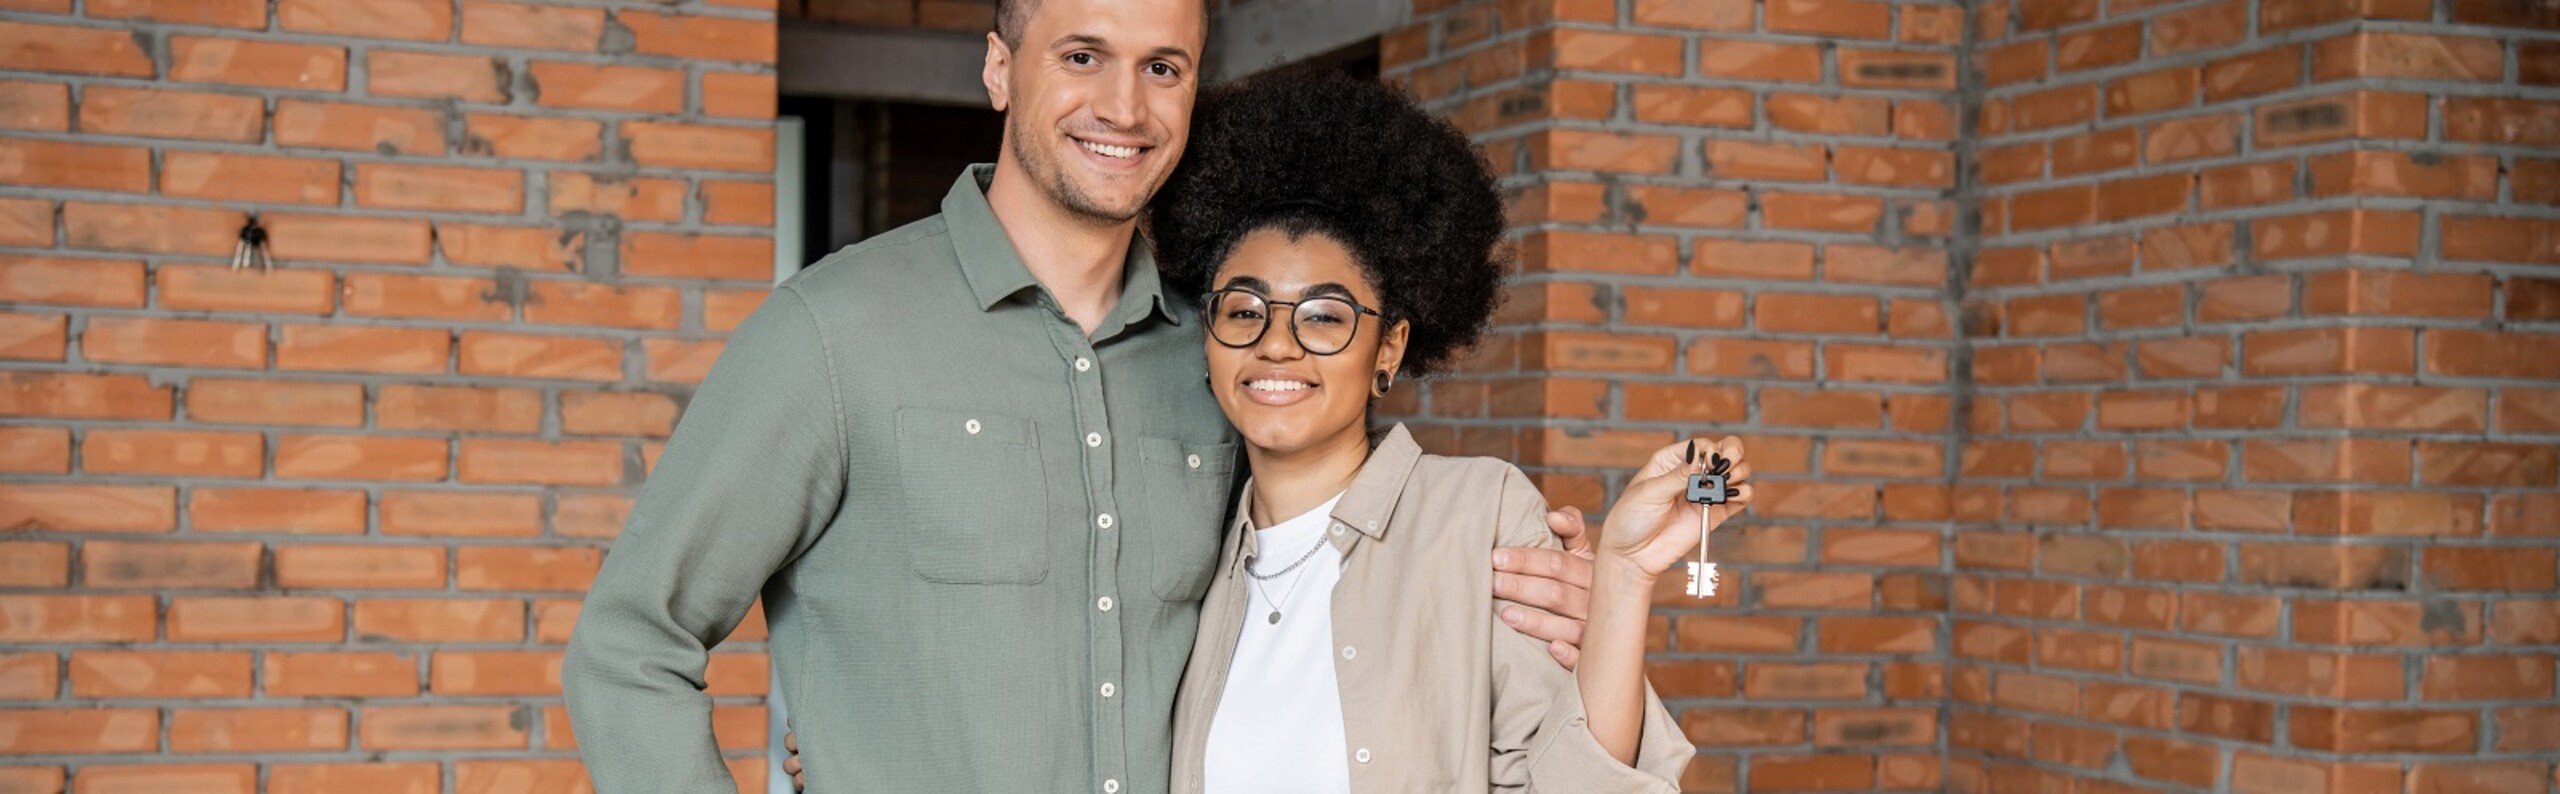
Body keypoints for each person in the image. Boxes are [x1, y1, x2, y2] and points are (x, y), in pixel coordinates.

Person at [561, 0, 1630, 790]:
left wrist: (1561, 598)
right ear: (998, 67)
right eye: (1082, 55)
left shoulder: (1219, 362)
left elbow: (1331, 581)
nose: (1125, 105)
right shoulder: (831, 334)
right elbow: (629, 642)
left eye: (1163, 66)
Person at [1148, 68, 1750, 792]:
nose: (1278, 343)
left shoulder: (1478, 517)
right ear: (1209, 337)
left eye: (1325, 316)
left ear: (1390, 348)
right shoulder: (1189, 551)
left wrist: (1624, 577)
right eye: (1245, 310)